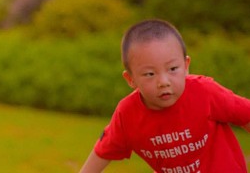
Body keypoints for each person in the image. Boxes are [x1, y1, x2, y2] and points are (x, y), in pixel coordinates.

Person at [79, 18, 250, 172]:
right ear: (130, 79)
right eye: (150, 74)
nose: (163, 81)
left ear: (186, 65)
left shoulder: (206, 92)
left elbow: (245, 115)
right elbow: (103, 151)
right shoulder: (127, 114)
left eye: (173, 69)